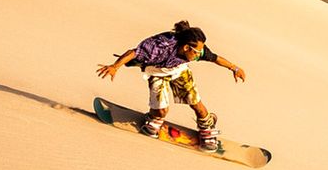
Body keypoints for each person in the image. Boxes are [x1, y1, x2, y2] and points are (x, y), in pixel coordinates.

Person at [97, 20, 245, 151]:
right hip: (157, 72)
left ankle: (208, 126)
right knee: (161, 111)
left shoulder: (198, 50)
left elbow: (215, 58)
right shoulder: (158, 47)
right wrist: (115, 67)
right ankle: (154, 117)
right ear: (186, 48)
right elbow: (133, 52)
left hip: (179, 71)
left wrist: (235, 68)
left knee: (197, 105)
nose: (199, 54)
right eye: (197, 51)